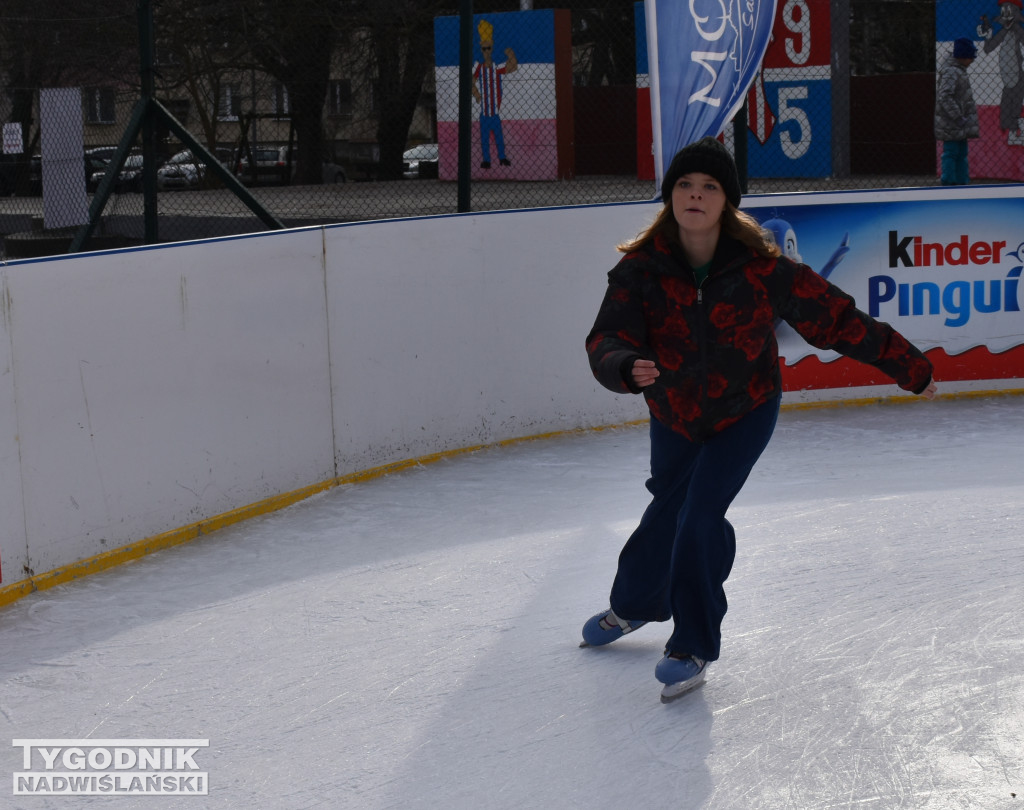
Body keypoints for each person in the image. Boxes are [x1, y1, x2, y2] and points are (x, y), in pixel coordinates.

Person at [581, 137, 937, 701]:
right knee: (669, 516)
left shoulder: (762, 270)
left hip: (744, 409)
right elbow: (609, 335)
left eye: (709, 188)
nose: (695, 196)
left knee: (698, 519)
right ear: (670, 195)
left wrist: (909, 365)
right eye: (684, 186)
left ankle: (691, 644)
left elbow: (836, 319)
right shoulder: (640, 270)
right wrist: (622, 365)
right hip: (673, 414)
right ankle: (633, 606)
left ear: (727, 201)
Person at [472, 19, 517, 169]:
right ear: (481, 49)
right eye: (484, 49)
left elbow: (512, 67)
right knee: (484, 138)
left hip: (495, 112)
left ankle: (502, 157)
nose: (486, 51)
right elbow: (470, 81)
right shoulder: (479, 67)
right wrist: (477, 94)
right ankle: (486, 160)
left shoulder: (496, 68)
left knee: (499, 137)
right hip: (484, 112)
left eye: (488, 48)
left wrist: (511, 56)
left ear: (491, 48)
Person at [935, 37, 979, 185]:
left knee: (960, 153)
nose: (972, 60)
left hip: (958, 122)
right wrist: (957, 116)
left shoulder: (957, 70)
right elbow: (944, 96)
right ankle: (949, 182)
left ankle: (961, 182)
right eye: (971, 56)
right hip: (952, 122)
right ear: (962, 56)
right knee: (952, 153)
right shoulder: (951, 72)